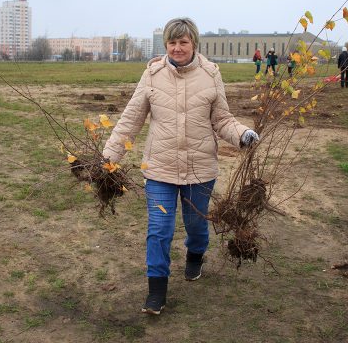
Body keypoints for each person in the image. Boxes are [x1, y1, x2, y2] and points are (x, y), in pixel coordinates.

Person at [102, 17, 259, 316]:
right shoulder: (152, 74)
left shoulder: (211, 74)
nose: (177, 48)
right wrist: (109, 157)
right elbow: (130, 120)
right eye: (172, 42)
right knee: (159, 230)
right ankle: (156, 291)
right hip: (160, 169)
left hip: (200, 170)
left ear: (193, 44)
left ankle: (195, 255)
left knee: (197, 225)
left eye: (183, 42)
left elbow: (222, 120)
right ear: (166, 45)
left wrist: (242, 134)